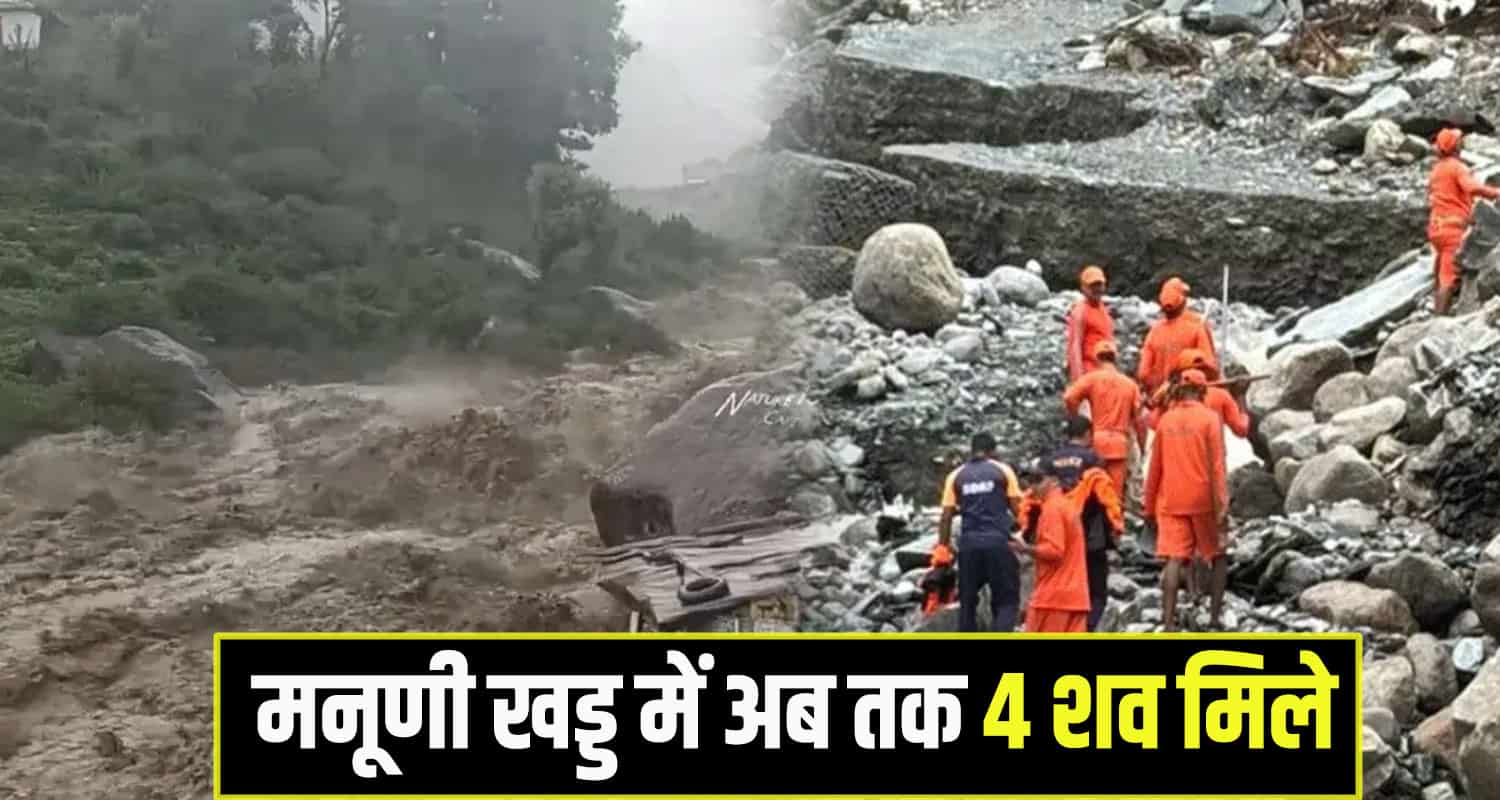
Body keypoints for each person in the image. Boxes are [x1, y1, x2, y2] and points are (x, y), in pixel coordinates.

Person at [1143, 370, 1230, 631]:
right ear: (1202, 391)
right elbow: (1217, 466)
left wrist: (1148, 507)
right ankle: (1214, 618)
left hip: (1171, 499)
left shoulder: (1166, 421)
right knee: (1218, 556)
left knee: (1174, 558)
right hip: (1203, 499)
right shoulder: (1209, 419)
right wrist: (1222, 506)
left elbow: (1154, 468)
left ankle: (1168, 623)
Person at [1039, 415, 1126, 632]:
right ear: (1088, 434)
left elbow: (1036, 497)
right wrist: (1114, 530)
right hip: (1089, 534)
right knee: (1096, 589)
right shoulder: (1092, 459)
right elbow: (1105, 496)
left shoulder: (1049, 461)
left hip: (1056, 533)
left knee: (1061, 583)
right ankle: (1086, 627)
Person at [938, 432, 1025, 632]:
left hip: (969, 547)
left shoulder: (955, 476)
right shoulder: (1003, 471)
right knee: (1006, 601)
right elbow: (1019, 510)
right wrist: (1028, 539)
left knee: (967, 603)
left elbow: (946, 517)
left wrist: (942, 549)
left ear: (972, 450)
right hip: (998, 544)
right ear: (993, 451)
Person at [1428, 127, 1500, 316]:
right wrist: (1496, 192)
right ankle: (1437, 322)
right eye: (1459, 140)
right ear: (1455, 146)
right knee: (1448, 278)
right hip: (1453, 228)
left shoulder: (1437, 170)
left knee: (1440, 271)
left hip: (1436, 228)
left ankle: (1435, 309)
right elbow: (1471, 187)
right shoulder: (1456, 166)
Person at [1063, 339, 1147, 498]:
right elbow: (1140, 420)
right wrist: (1143, 449)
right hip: (1120, 443)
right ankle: (1115, 522)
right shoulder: (1129, 384)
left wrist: (1077, 419)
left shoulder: (1092, 379)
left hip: (1098, 441)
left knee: (1095, 490)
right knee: (1115, 496)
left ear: (1097, 358)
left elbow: (1069, 397)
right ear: (1115, 358)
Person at [1011, 472, 1091, 633]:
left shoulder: (1051, 509)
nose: (1032, 489)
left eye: (1037, 481)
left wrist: (1024, 548)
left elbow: (1055, 551)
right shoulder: (1067, 505)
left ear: (1053, 480)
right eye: (1031, 483)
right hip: (1075, 597)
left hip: (1053, 598)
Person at [1137, 277, 1218, 400]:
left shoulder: (1154, 331)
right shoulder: (1196, 326)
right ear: (1183, 301)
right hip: (1189, 396)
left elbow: (1143, 373)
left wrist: (1153, 392)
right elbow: (1210, 366)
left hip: (1161, 398)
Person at [1065, 266, 1114, 383]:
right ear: (1083, 288)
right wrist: (1079, 382)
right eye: (1092, 286)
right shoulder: (1080, 312)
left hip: (1105, 373)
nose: (1097, 289)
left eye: (1099, 285)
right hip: (1089, 374)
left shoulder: (1103, 309)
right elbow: (1075, 348)